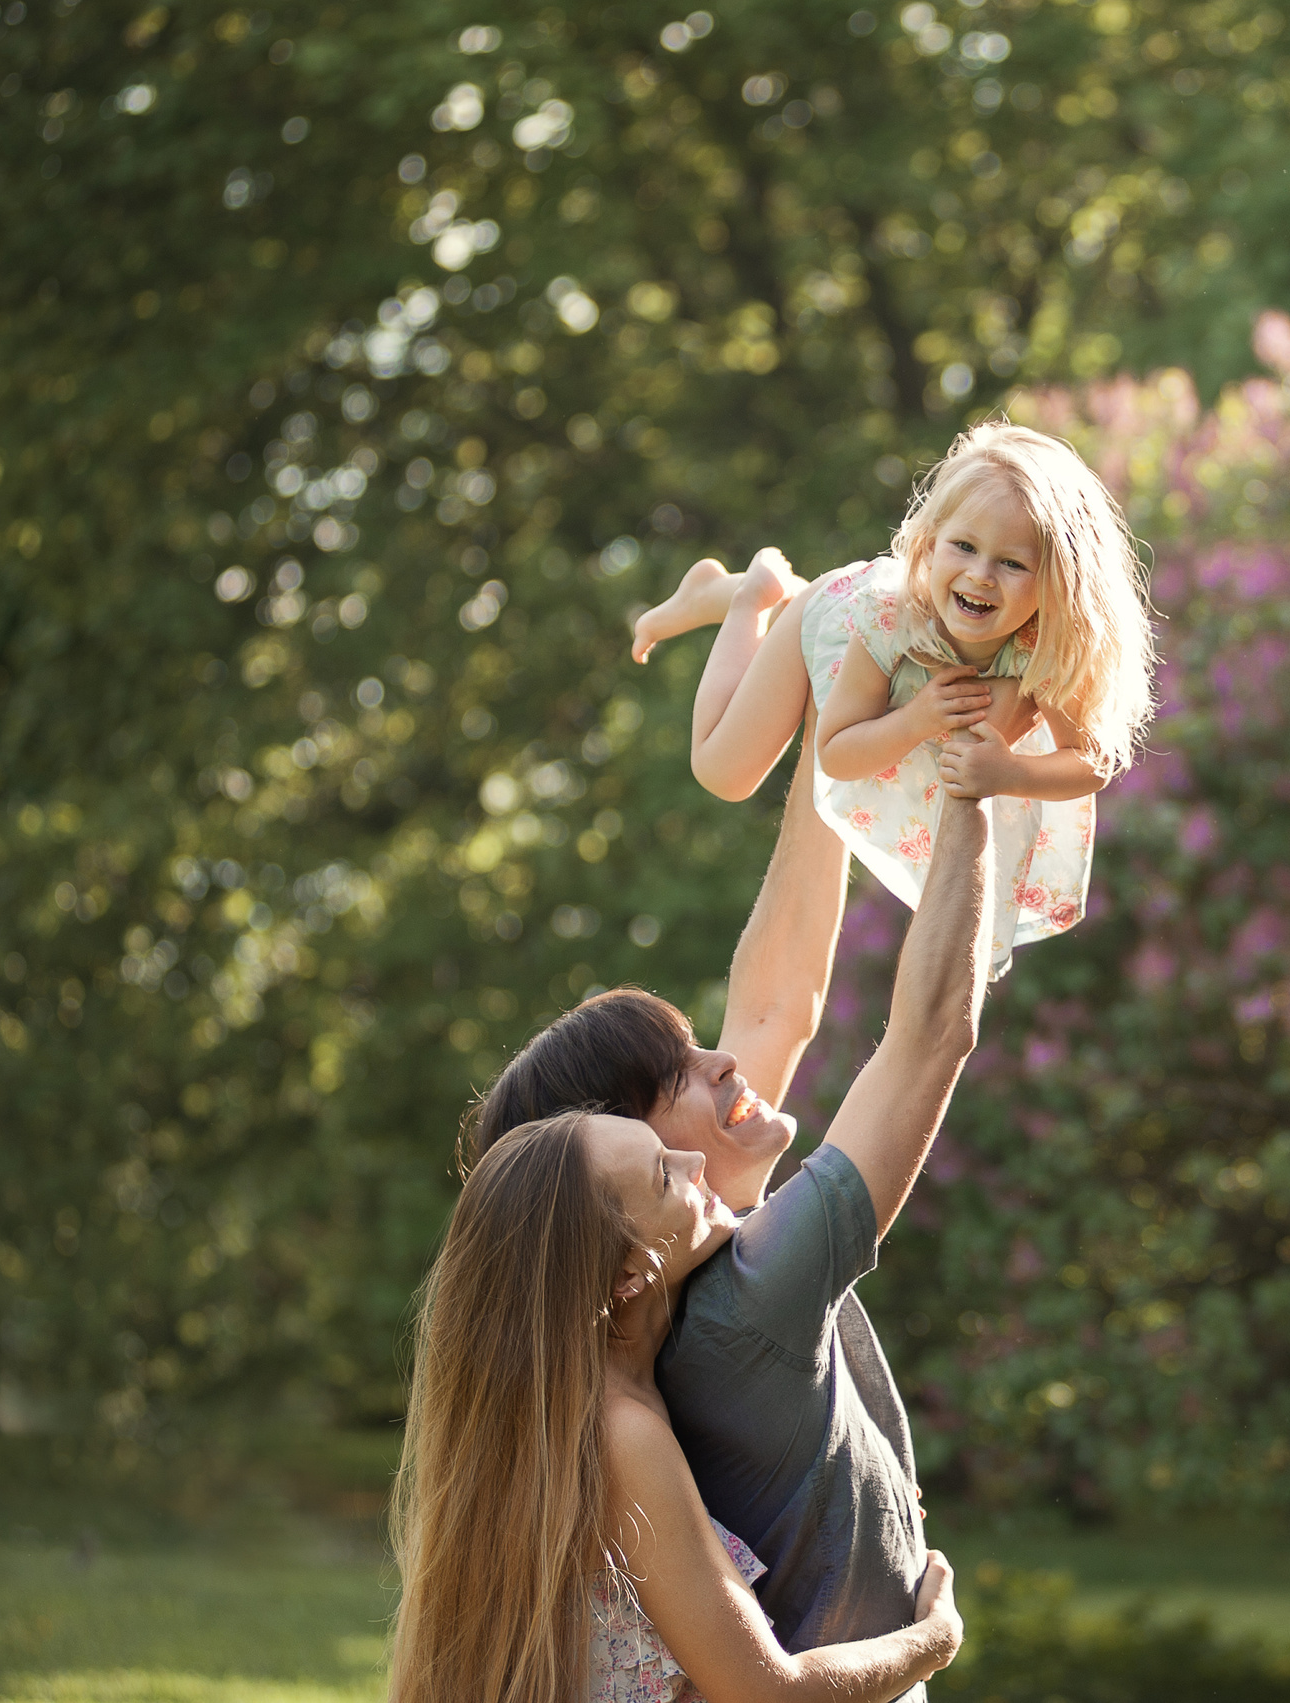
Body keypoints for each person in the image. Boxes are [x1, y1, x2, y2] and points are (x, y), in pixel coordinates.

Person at [453, 686, 999, 1697]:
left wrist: (834, 721)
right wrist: (978, 785)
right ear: (624, 1165)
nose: (727, 1058)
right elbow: (931, 1036)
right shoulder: (744, 1297)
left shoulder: (665, 1272)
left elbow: (779, 999)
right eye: (677, 1076)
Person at [387, 1108, 963, 1703]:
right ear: (627, 1277)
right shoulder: (619, 1432)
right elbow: (763, 1693)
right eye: (665, 1175)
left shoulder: (588, 1411)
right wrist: (932, 1640)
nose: (697, 1161)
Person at [629, 421, 1157, 976]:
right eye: (964, 547)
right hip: (834, 627)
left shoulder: (1046, 646)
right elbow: (835, 751)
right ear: (931, 543)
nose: (980, 576)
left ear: (1055, 580)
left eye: (1012, 563)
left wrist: (1011, 772)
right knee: (724, 773)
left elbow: (1092, 760)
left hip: (882, 672)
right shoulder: (887, 617)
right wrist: (916, 720)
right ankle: (748, 598)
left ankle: (742, 592)